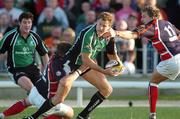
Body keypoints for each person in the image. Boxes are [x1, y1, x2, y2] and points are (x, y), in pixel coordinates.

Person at [23, 12, 122, 119]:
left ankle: (83, 115)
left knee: (107, 89)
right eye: (100, 24)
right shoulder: (88, 33)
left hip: (84, 65)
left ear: (109, 27)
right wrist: (104, 71)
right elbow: (86, 59)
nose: (101, 27)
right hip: (72, 64)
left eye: (104, 26)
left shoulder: (109, 36)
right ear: (96, 22)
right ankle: (33, 117)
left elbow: (113, 53)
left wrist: (120, 66)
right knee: (58, 99)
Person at [109, 5, 180, 119]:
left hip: (171, 60)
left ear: (151, 16)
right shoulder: (167, 23)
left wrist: (116, 33)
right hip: (177, 56)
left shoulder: (151, 26)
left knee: (153, 82)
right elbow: (178, 35)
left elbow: (132, 34)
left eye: (144, 16)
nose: (141, 19)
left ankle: (152, 115)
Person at [0, 12, 49, 118]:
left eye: (29, 22)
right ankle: (45, 113)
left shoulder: (35, 37)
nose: (27, 25)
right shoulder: (10, 36)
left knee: (43, 94)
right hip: (15, 69)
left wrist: (47, 71)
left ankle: (4, 114)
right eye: (25, 22)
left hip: (33, 68)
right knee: (33, 91)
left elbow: (44, 54)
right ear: (19, 23)